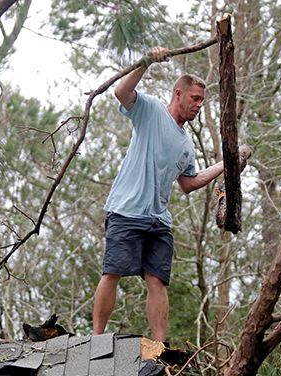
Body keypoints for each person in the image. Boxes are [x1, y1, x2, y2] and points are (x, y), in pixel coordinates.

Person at [92, 47, 230, 342]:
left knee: (157, 280)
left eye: (202, 101)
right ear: (177, 94)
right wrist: (146, 62)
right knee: (113, 271)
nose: (198, 105)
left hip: (159, 220)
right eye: (195, 99)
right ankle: (95, 339)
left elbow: (189, 183)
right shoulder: (151, 111)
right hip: (127, 210)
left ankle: (159, 346)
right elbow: (121, 92)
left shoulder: (186, 144)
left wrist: (226, 165)